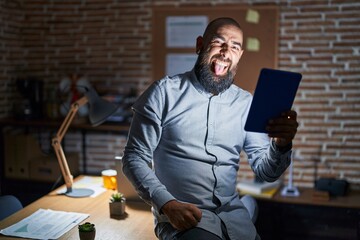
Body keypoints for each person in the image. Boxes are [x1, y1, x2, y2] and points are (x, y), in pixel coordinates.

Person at [122, 17, 299, 240]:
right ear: (200, 46)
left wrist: (281, 144)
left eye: (235, 46)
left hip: (234, 218)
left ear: (239, 56)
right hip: (183, 217)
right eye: (218, 42)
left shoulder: (246, 103)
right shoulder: (163, 93)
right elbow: (133, 157)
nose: (226, 51)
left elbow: (267, 172)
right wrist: (167, 204)